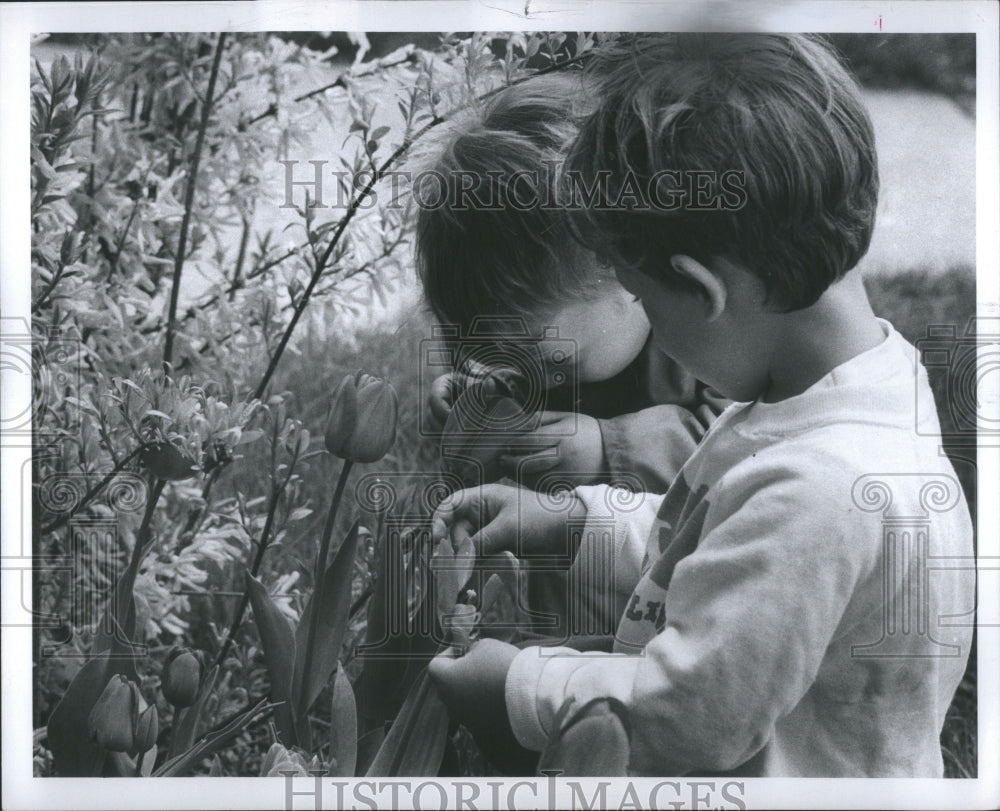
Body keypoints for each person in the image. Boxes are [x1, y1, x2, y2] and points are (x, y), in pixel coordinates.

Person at [427, 33, 975, 777]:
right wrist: (572, 525)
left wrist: (517, 686)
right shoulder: (838, 394)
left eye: (644, 297)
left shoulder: (820, 491)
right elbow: (709, 541)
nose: (643, 314)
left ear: (703, 292)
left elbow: (688, 715)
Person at [415, 72, 727, 495]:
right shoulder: (567, 334)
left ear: (627, 268)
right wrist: (479, 397)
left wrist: (610, 449)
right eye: (498, 356)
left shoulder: (706, 338)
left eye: (553, 363)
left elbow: (746, 444)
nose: (532, 379)